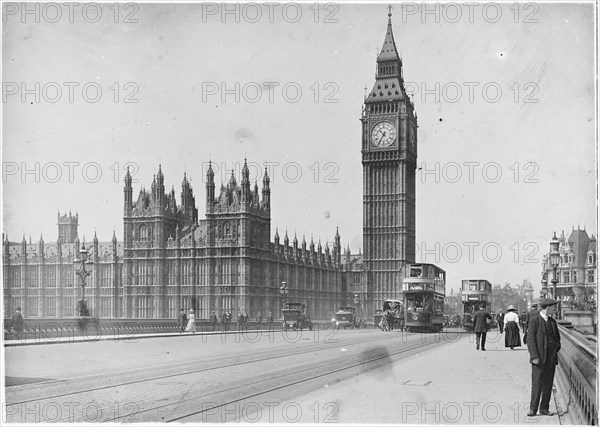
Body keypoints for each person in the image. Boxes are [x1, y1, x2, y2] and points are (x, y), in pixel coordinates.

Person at [526, 298, 561, 417]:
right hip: (538, 358)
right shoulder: (534, 320)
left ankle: (544, 408)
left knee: (548, 383)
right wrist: (534, 356)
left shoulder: (552, 322)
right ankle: (533, 409)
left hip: (551, 358)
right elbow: (530, 340)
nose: (555, 309)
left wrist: (556, 348)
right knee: (537, 383)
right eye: (553, 307)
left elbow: (557, 338)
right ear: (547, 307)